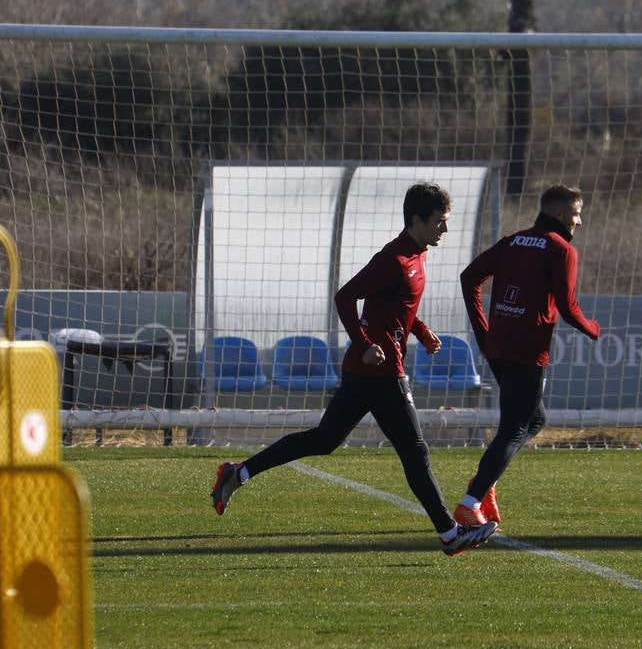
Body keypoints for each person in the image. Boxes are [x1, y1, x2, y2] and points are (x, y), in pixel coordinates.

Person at [210, 182, 497, 557]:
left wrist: (421, 330)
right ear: (416, 221)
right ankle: (449, 533)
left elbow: (395, 307)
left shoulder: (417, 255)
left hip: (366, 373)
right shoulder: (393, 258)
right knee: (415, 451)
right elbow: (345, 296)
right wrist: (365, 345)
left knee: (324, 440)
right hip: (381, 372)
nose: (445, 229)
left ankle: (239, 473)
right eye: (439, 221)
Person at [455, 184, 601, 529]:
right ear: (560, 214)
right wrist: (592, 328)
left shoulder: (513, 241)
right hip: (527, 351)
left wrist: (483, 332)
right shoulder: (561, 249)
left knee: (534, 420)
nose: (579, 221)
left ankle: (485, 482)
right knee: (515, 427)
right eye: (577, 214)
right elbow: (567, 307)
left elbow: (468, 278)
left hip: (498, 347)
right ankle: (471, 502)